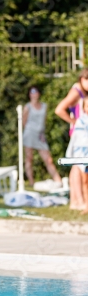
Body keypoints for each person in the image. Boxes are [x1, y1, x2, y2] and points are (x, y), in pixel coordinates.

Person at [55, 68, 88, 209]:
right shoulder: (76, 91)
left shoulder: (83, 92)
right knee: (77, 167)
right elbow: (59, 109)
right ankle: (77, 201)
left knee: (78, 167)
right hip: (79, 133)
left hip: (82, 133)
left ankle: (76, 200)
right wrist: (74, 122)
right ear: (81, 79)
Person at [23, 86, 62, 188]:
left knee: (48, 159)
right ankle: (31, 182)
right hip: (29, 134)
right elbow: (24, 122)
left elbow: (43, 121)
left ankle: (58, 181)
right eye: (32, 92)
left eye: (35, 92)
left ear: (39, 93)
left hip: (40, 135)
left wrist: (42, 133)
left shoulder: (44, 106)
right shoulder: (27, 107)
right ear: (29, 94)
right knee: (29, 158)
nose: (34, 94)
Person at [65, 95, 88, 213]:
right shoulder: (81, 121)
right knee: (85, 181)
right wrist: (71, 153)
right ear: (84, 108)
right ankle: (86, 204)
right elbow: (76, 139)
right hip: (83, 155)